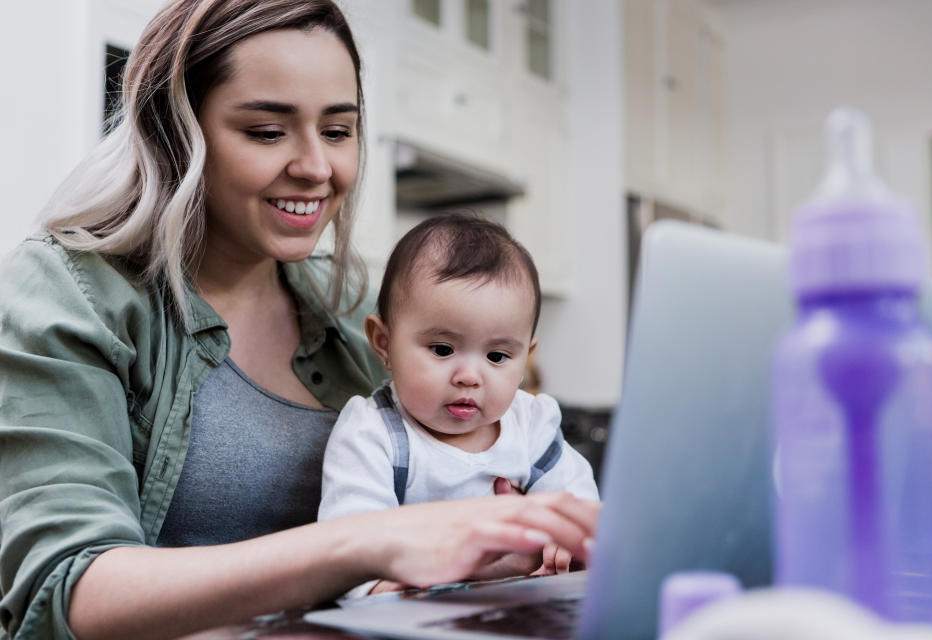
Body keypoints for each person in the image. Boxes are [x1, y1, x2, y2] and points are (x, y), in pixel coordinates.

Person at [0, 2, 600, 639]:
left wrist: (492, 549)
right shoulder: (69, 292)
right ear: (177, 131)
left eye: (338, 131)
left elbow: (412, 543)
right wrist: (365, 544)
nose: (318, 168)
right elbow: (63, 592)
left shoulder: (342, 308)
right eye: (267, 131)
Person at [318, 214, 599, 595]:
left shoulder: (529, 424)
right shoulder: (373, 435)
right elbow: (350, 556)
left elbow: (577, 507)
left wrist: (566, 542)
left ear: (525, 359)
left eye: (498, 357)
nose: (469, 376)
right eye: (443, 349)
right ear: (383, 343)